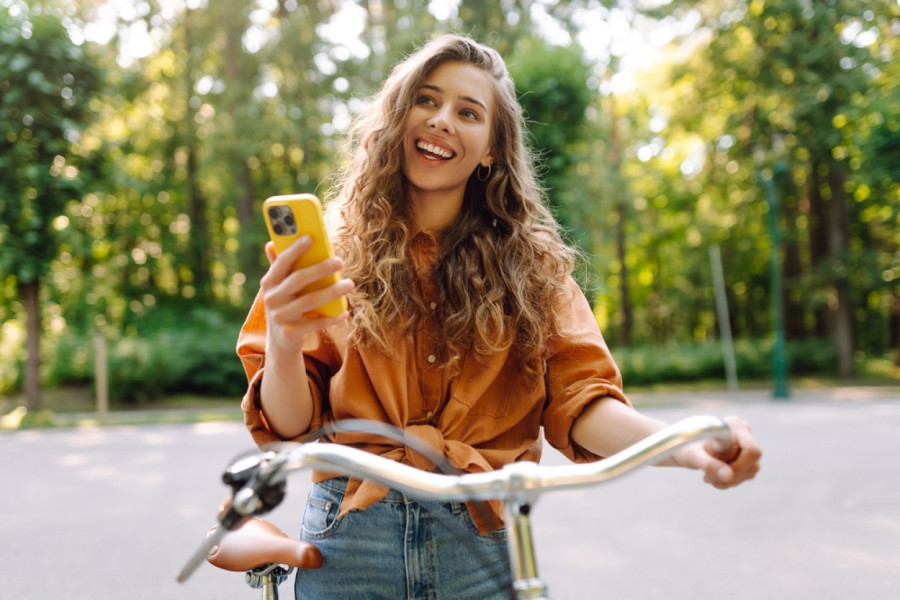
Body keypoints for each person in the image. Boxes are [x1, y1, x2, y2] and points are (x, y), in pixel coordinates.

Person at [236, 33, 761, 600]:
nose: (441, 120)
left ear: (490, 147)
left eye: (468, 112)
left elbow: (582, 400)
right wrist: (286, 343)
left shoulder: (533, 267)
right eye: (426, 100)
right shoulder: (330, 252)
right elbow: (287, 428)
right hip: (351, 536)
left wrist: (683, 446)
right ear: (397, 117)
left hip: (478, 539)